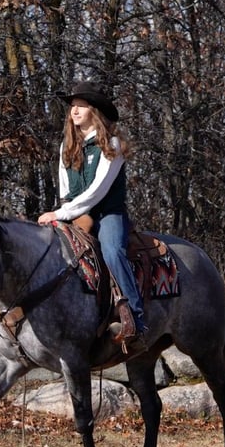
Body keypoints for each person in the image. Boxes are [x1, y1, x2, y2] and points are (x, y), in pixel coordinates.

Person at [37, 81, 146, 346]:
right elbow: (66, 190)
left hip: (107, 213)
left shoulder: (112, 145)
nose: (74, 111)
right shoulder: (66, 147)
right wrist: (62, 213)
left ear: (93, 111)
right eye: (72, 106)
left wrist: (61, 214)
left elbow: (97, 192)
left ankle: (136, 318)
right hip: (75, 214)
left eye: (81, 106)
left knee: (111, 251)